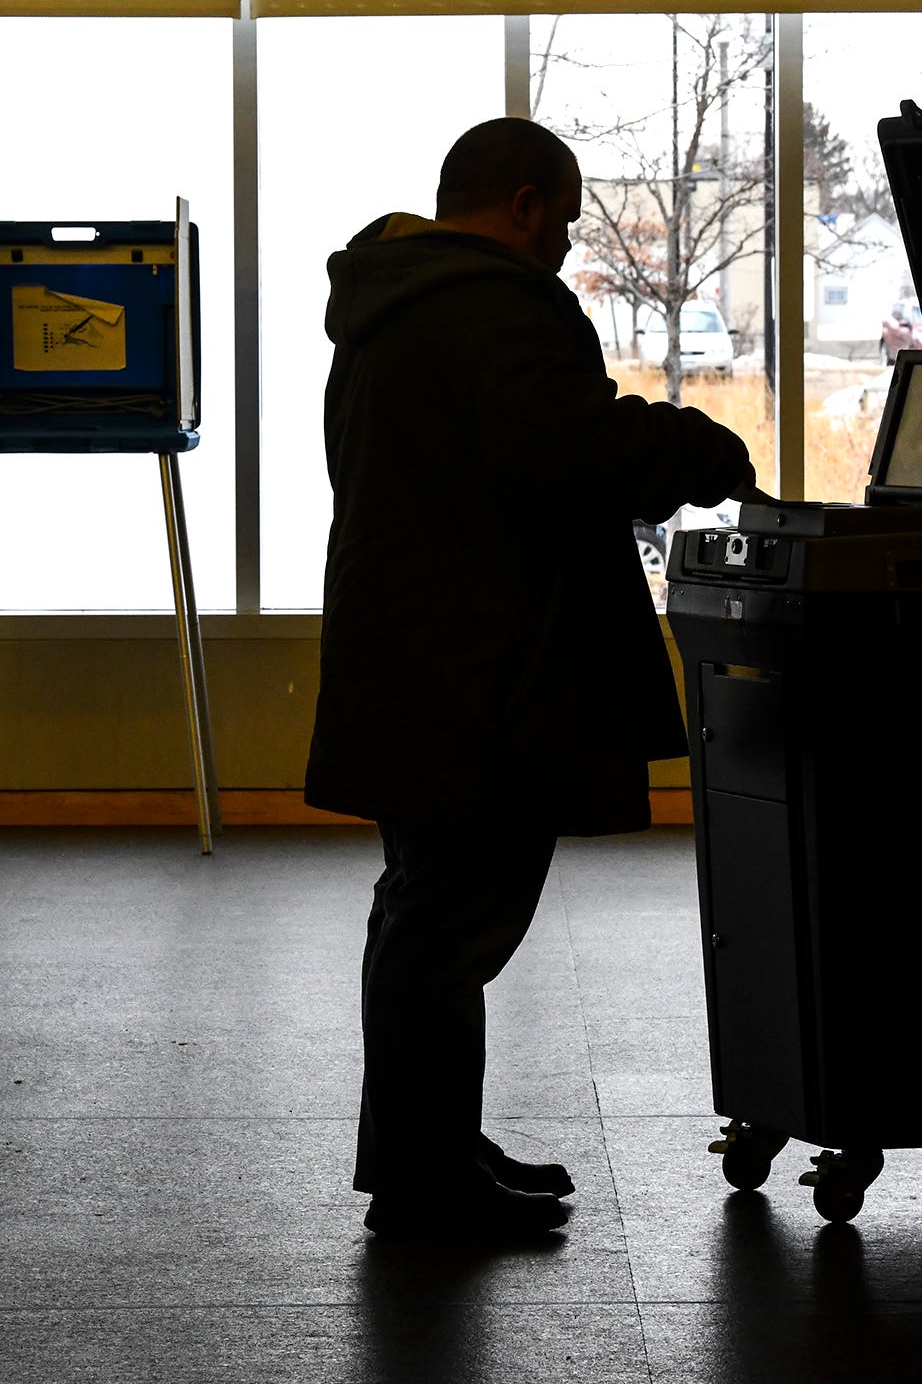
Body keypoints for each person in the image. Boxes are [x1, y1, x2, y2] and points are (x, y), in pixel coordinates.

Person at [307, 117, 757, 1237]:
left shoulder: (391, 306)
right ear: (521, 204)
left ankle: (427, 1148)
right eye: (561, 220)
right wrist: (701, 451)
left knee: (424, 914)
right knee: (450, 926)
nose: (563, 244)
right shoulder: (492, 304)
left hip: (408, 658)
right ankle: (424, 1185)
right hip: (481, 674)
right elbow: (566, 448)